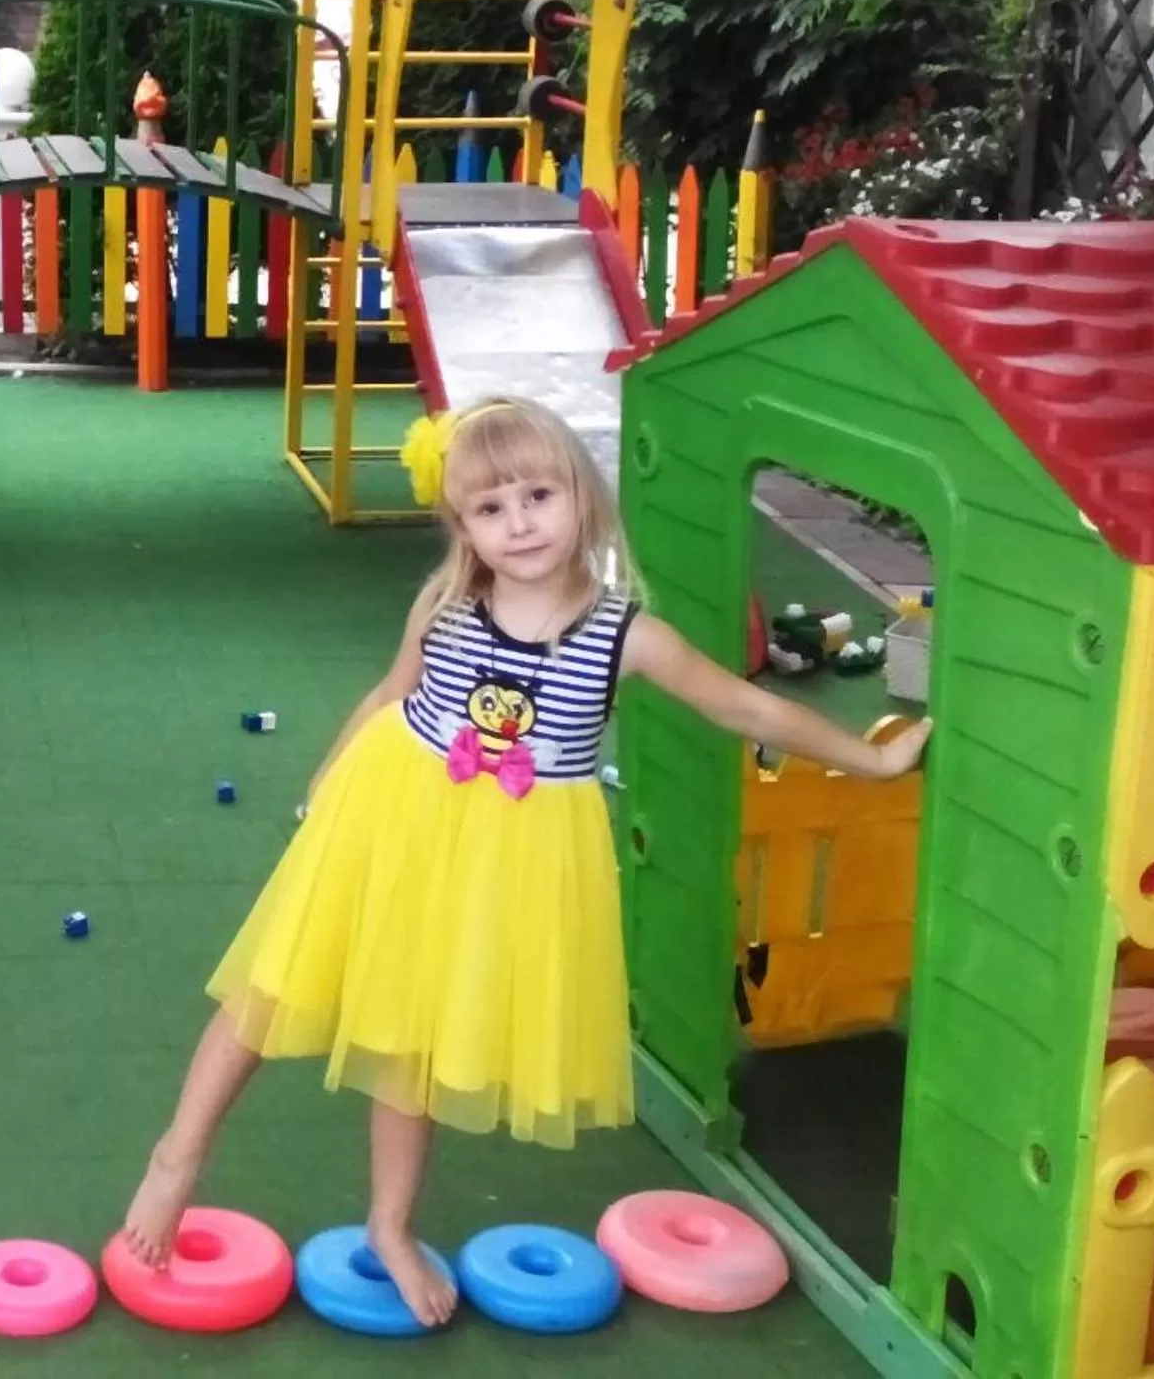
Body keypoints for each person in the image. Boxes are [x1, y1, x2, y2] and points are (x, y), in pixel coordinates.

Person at [118, 396, 929, 1326]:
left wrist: (870, 760)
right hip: (391, 818)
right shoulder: (447, 605)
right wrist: (323, 796)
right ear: (463, 526)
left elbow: (743, 708)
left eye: (538, 496)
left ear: (581, 496)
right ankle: (176, 1158)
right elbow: (390, 698)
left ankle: (390, 1225)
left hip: (508, 859)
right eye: (491, 508)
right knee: (272, 988)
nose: (520, 523)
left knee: (415, 1038)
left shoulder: (626, 635)